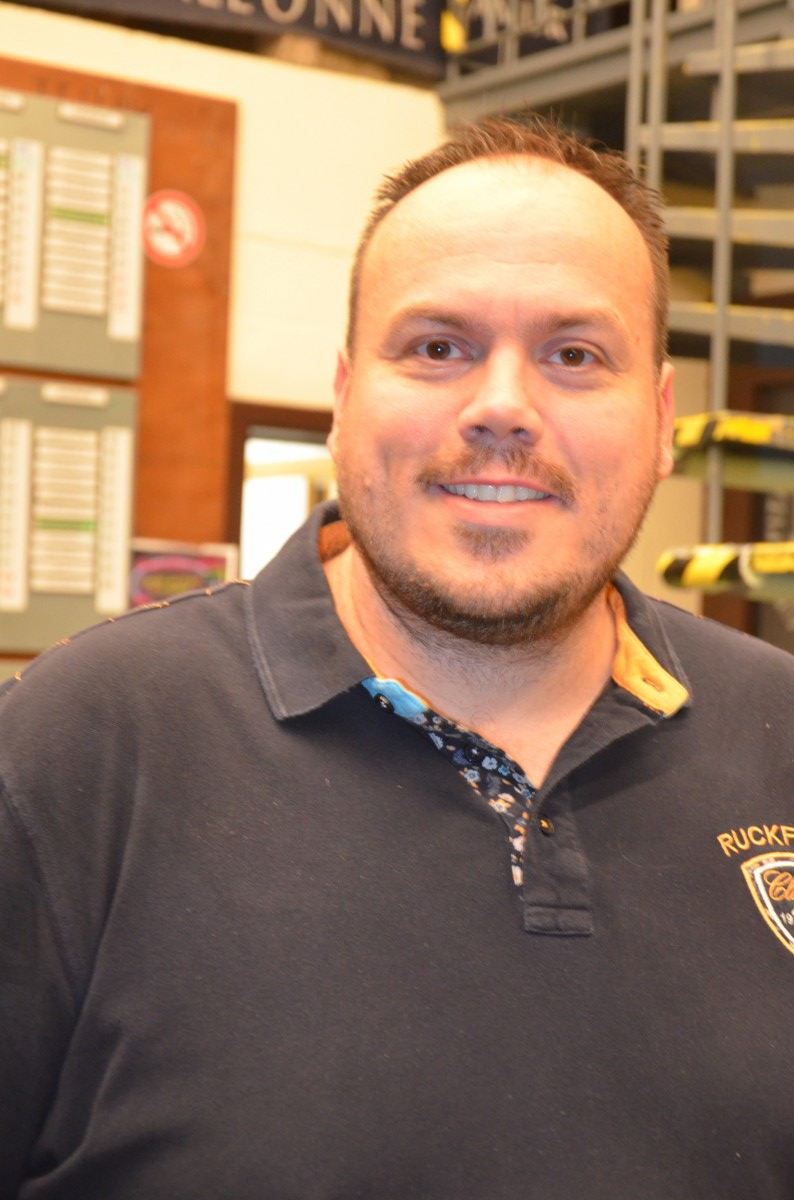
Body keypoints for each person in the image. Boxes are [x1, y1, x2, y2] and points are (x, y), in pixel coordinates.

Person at [1, 114, 793, 1200]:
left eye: (574, 354)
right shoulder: (80, 747)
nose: (502, 408)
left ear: (660, 420)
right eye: (436, 347)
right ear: (342, 398)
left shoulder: (779, 737)